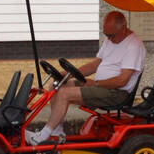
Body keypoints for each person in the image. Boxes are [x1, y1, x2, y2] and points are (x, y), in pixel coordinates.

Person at [25, 11, 145, 145]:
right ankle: (56, 131)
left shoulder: (133, 46)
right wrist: (66, 73)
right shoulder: (111, 38)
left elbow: (122, 80)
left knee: (64, 93)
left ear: (124, 27)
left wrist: (96, 84)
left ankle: (43, 136)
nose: (109, 39)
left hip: (116, 93)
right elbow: (95, 64)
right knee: (56, 85)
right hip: (101, 87)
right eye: (106, 35)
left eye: (112, 36)